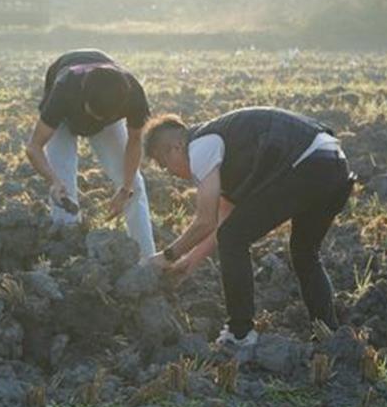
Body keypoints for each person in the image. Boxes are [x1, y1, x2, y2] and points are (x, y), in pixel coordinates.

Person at [142, 107, 355, 347]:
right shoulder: (222, 150)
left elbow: (205, 221)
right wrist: (190, 262)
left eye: (163, 163)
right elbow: (223, 220)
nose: (168, 172)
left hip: (306, 165)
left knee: (235, 238)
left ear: (176, 147)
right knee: (304, 253)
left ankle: (239, 333)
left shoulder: (200, 146)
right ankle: (328, 334)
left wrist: (167, 256)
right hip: (334, 167)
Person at [25, 49, 155, 259]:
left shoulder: (133, 95)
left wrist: (126, 187)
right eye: (94, 114)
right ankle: (66, 255)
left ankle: (148, 259)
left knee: (134, 186)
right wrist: (53, 181)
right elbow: (34, 147)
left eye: (104, 118)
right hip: (65, 117)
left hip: (106, 111)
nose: (96, 122)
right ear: (84, 97)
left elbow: (134, 142)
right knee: (62, 183)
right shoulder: (65, 90)